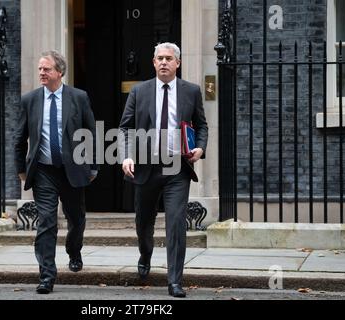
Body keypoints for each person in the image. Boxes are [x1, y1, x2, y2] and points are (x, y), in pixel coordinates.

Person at [118, 43, 208, 298]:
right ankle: (145, 253)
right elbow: (125, 128)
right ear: (153, 62)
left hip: (177, 168)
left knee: (176, 223)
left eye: (169, 58)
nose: (164, 62)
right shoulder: (139, 91)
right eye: (160, 58)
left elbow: (201, 125)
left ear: (177, 63)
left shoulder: (191, 91)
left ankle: (175, 280)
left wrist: (200, 148)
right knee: (143, 222)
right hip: (145, 168)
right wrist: (126, 156)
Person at [14, 51, 98, 294]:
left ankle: (74, 250)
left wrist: (93, 166)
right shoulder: (30, 100)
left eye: (46, 69)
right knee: (46, 222)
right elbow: (20, 138)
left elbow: (90, 133)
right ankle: (47, 275)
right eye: (40, 69)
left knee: (76, 219)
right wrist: (21, 169)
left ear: (59, 72)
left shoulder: (78, 97)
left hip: (72, 170)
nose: (41, 72)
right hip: (43, 172)